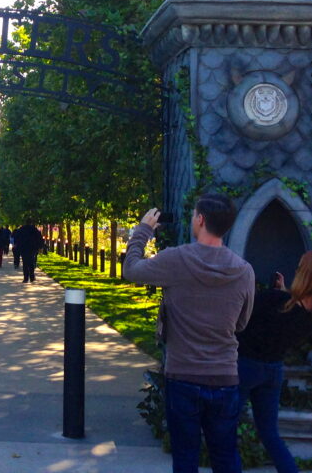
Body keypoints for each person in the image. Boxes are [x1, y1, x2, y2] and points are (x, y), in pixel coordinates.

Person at [123, 195, 255, 473]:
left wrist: (143, 231)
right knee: (226, 455)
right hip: (225, 376)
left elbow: (131, 270)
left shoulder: (176, 260)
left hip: (183, 375)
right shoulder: (244, 271)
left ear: (201, 220)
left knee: (185, 457)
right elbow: (242, 323)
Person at [236, 250, 312, 473]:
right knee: (270, 434)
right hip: (272, 370)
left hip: (244, 367)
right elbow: (293, 309)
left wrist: (277, 293)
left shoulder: (273, 300)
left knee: (225, 431)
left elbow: (240, 317)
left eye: (299, 268)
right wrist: (284, 292)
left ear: (306, 275)